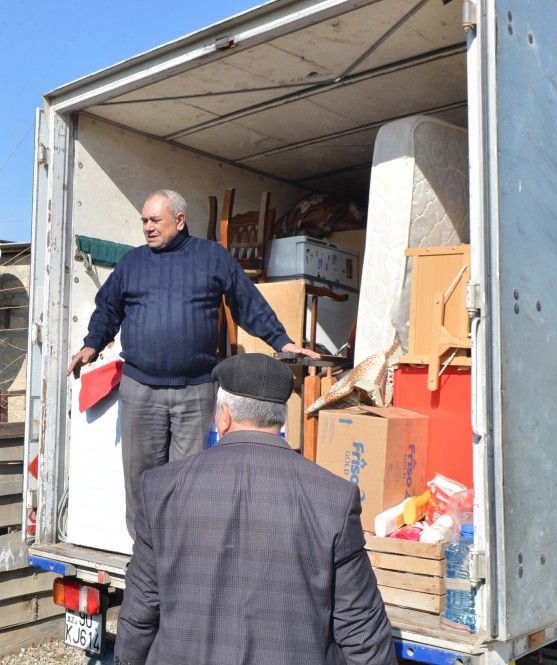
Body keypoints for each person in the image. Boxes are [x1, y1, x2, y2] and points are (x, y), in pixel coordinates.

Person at [115, 353, 397, 665]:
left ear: (223, 416)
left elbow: (140, 613)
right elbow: (361, 629)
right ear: (283, 418)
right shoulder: (333, 498)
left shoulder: (162, 487)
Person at [67, 189, 319, 537]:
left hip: (194, 391)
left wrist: (283, 340)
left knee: (187, 481)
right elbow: (108, 308)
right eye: (144, 221)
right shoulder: (132, 263)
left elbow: (246, 302)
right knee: (142, 481)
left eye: (155, 220)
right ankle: (145, 557)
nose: (148, 228)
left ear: (180, 220)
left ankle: (180, 554)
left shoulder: (212, 257)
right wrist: (91, 344)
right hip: (141, 390)